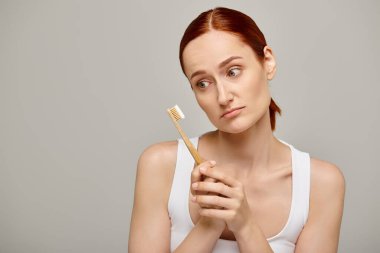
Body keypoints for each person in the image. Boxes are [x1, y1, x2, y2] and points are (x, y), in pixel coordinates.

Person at [128, 7, 345, 253]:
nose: (222, 96)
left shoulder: (321, 184)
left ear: (268, 63)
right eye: (203, 83)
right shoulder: (160, 165)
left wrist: (245, 226)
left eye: (233, 71)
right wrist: (210, 224)